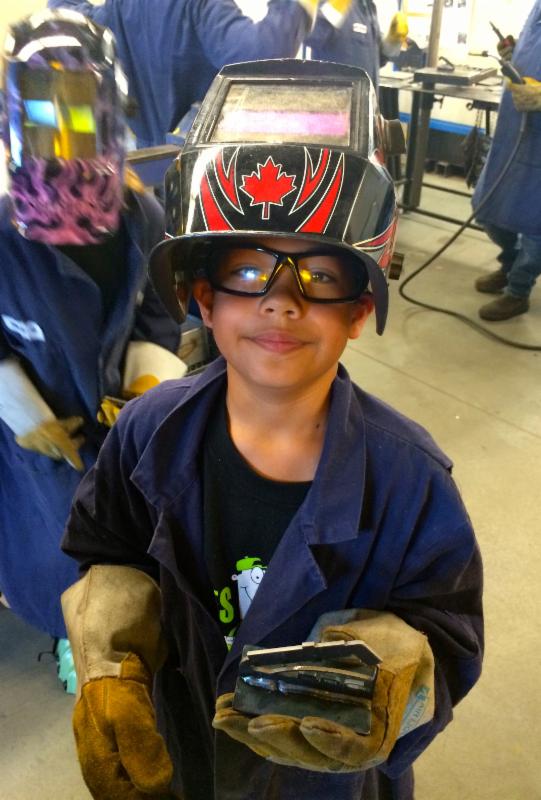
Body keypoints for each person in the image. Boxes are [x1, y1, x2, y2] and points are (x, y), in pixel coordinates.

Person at [60, 60, 483, 800]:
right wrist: (110, 659)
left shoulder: (408, 477)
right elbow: (109, 546)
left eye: (320, 277)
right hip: (183, 743)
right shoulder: (146, 431)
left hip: (328, 781)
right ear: (200, 297)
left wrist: (396, 674)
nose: (281, 303)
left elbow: (448, 629)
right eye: (249, 273)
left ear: (359, 311)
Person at [0, 11, 185, 655]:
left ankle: (117, 632)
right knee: (50, 547)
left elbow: (162, 311)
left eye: (81, 113)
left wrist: (145, 385)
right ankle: (67, 639)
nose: (64, 137)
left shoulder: (144, 217)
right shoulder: (2, 236)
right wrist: (19, 409)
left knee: (126, 541)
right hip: (39, 441)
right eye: (46, 118)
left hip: (120, 430)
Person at [47, 0, 354, 148]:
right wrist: (300, 7)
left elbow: (69, 16)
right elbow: (259, 55)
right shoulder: (198, 4)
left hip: (144, 174)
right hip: (197, 174)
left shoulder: (118, 10)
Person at [472, 1, 541, 321]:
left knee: (535, 224)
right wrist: (515, 56)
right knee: (488, 207)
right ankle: (510, 263)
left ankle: (518, 290)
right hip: (513, 131)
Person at [304, 1, 409, 88]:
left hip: (365, 102)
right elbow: (311, 36)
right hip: (334, 103)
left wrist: (391, 42)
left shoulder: (369, 7)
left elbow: (374, 60)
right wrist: (334, 8)